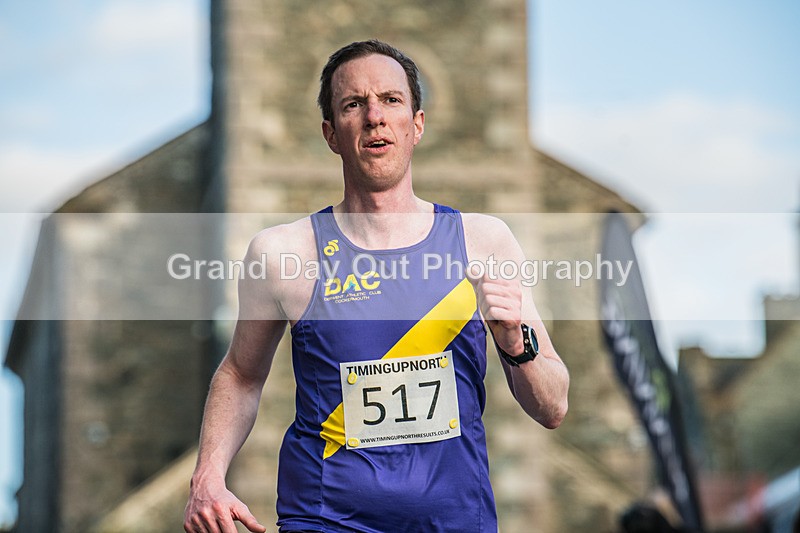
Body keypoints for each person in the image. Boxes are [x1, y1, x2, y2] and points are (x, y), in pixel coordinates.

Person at [184, 39, 569, 533]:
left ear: (417, 124)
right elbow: (241, 375)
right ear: (331, 134)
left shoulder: (482, 241)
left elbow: (553, 408)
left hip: (454, 520)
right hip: (325, 519)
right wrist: (207, 478)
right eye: (353, 104)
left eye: (391, 100)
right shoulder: (283, 253)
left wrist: (516, 343)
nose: (374, 117)